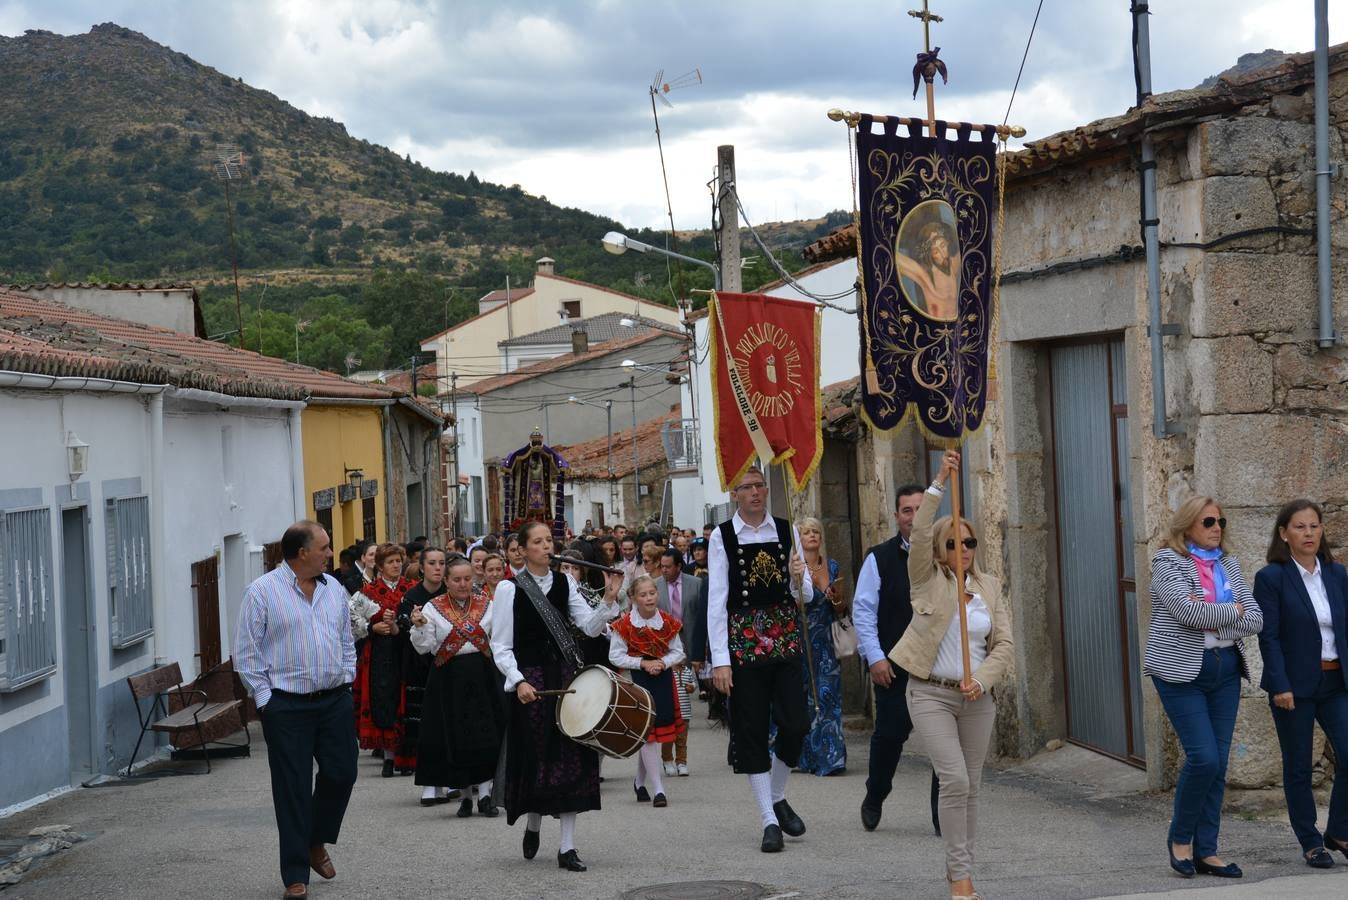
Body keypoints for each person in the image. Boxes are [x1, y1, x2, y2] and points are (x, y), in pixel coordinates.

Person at [890, 450, 1013, 900]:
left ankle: (962, 872)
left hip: (976, 697)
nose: (963, 550)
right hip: (931, 694)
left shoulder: (988, 587)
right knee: (955, 780)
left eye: (970, 543)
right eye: (954, 544)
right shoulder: (926, 579)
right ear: (941, 550)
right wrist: (940, 482)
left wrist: (981, 680)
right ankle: (959, 875)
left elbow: (1004, 645)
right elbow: (920, 532)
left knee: (972, 786)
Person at [489, 521, 623, 872]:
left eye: (549, 540)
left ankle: (567, 847)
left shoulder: (567, 582)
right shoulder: (509, 589)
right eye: (538, 541)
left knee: (571, 758)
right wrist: (518, 681)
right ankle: (533, 823)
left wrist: (609, 598)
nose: (547, 546)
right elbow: (501, 645)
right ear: (522, 549)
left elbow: (590, 627)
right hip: (531, 683)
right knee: (538, 758)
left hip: (566, 679)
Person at [234, 521, 357, 900]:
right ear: (302, 552)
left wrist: (347, 676)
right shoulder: (262, 592)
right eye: (324, 547)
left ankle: (315, 839)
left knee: (342, 773)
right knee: (293, 789)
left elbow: (344, 638)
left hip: (334, 700)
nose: (330, 553)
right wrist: (266, 701)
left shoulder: (333, 588)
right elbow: (247, 652)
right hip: (287, 706)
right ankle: (294, 874)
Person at [1143, 495, 1263, 880]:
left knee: (1219, 765)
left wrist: (1217, 617)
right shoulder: (1167, 563)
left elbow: (1256, 617)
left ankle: (1207, 851)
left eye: (1221, 522)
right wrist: (1232, 612)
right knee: (1204, 758)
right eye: (1209, 522)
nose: (1216, 529)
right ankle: (1180, 839)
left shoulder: (1227, 563)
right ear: (1188, 526)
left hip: (1224, 669)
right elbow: (1187, 612)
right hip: (1181, 673)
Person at [708, 465, 809, 853]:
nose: (754, 492)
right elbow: (717, 600)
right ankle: (769, 819)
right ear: (735, 494)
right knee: (750, 730)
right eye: (746, 487)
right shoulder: (723, 536)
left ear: (767, 490)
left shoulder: (787, 530)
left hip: (783, 638)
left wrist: (799, 578)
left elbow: (805, 598)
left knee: (796, 723)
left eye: (759, 486)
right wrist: (720, 661)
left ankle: (778, 794)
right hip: (744, 642)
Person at [1254, 499, 1348, 868]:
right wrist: (1279, 684)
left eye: (1314, 526)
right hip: (1293, 686)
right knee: (1298, 765)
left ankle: (1339, 830)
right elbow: (1269, 637)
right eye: (1299, 527)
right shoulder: (1272, 578)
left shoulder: (1337, 574)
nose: (1308, 533)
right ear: (1284, 534)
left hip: (1337, 680)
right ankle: (1311, 842)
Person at [855, 484, 941, 833]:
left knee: (942, 742)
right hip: (895, 668)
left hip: (939, 667)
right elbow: (863, 612)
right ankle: (875, 794)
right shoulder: (878, 558)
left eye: (921, 508)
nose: (914, 516)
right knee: (889, 738)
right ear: (897, 516)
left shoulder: (947, 554)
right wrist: (875, 658)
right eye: (907, 510)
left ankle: (942, 817)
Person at [409, 554, 506, 818]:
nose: (463, 584)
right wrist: (418, 627)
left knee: (487, 735)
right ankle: (465, 796)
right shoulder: (432, 608)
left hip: (484, 675)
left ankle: (486, 795)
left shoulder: (488, 605)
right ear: (447, 581)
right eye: (456, 579)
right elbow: (424, 647)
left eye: (467, 578)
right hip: (449, 678)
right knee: (457, 736)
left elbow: (499, 640)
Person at [611, 574, 686, 807]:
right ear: (633, 598)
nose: (649, 598)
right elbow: (614, 655)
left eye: (652, 593)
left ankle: (640, 782)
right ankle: (659, 789)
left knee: (653, 733)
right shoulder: (624, 624)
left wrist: (662, 662)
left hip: (662, 679)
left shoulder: (667, 621)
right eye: (643, 595)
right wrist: (643, 663)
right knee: (646, 733)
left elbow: (679, 651)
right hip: (639, 681)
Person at [352, 543, 418, 777]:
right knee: (384, 701)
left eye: (399, 561)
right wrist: (372, 627)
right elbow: (350, 620)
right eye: (390, 562)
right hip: (379, 655)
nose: (396, 565)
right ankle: (389, 758)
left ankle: (406, 757)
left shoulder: (411, 589)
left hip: (405, 653)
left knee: (405, 701)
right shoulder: (367, 592)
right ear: (380, 566)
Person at [794, 516, 847, 776]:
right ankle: (808, 758)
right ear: (800, 539)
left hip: (826, 640)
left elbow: (842, 608)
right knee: (804, 698)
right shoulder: (795, 568)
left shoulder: (833, 566)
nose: (812, 536)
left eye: (816, 531)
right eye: (807, 532)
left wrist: (836, 598)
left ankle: (832, 758)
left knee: (828, 696)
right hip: (801, 639)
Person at [399, 547, 451, 807]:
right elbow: (405, 626)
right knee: (425, 727)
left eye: (442, 563)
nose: (437, 568)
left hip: (449, 663)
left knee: (450, 723)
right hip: (421, 665)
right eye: (432, 563)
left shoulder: (450, 593)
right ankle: (430, 783)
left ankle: (453, 778)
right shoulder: (412, 596)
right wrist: (416, 622)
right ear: (422, 567)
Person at [657, 548, 705, 776]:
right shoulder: (655, 586)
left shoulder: (696, 584)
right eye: (662, 566)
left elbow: (701, 615)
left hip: (691, 640)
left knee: (687, 684)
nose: (664, 570)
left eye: (668, 566)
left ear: (678, 566)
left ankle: (683, 718)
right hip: (665, 648)